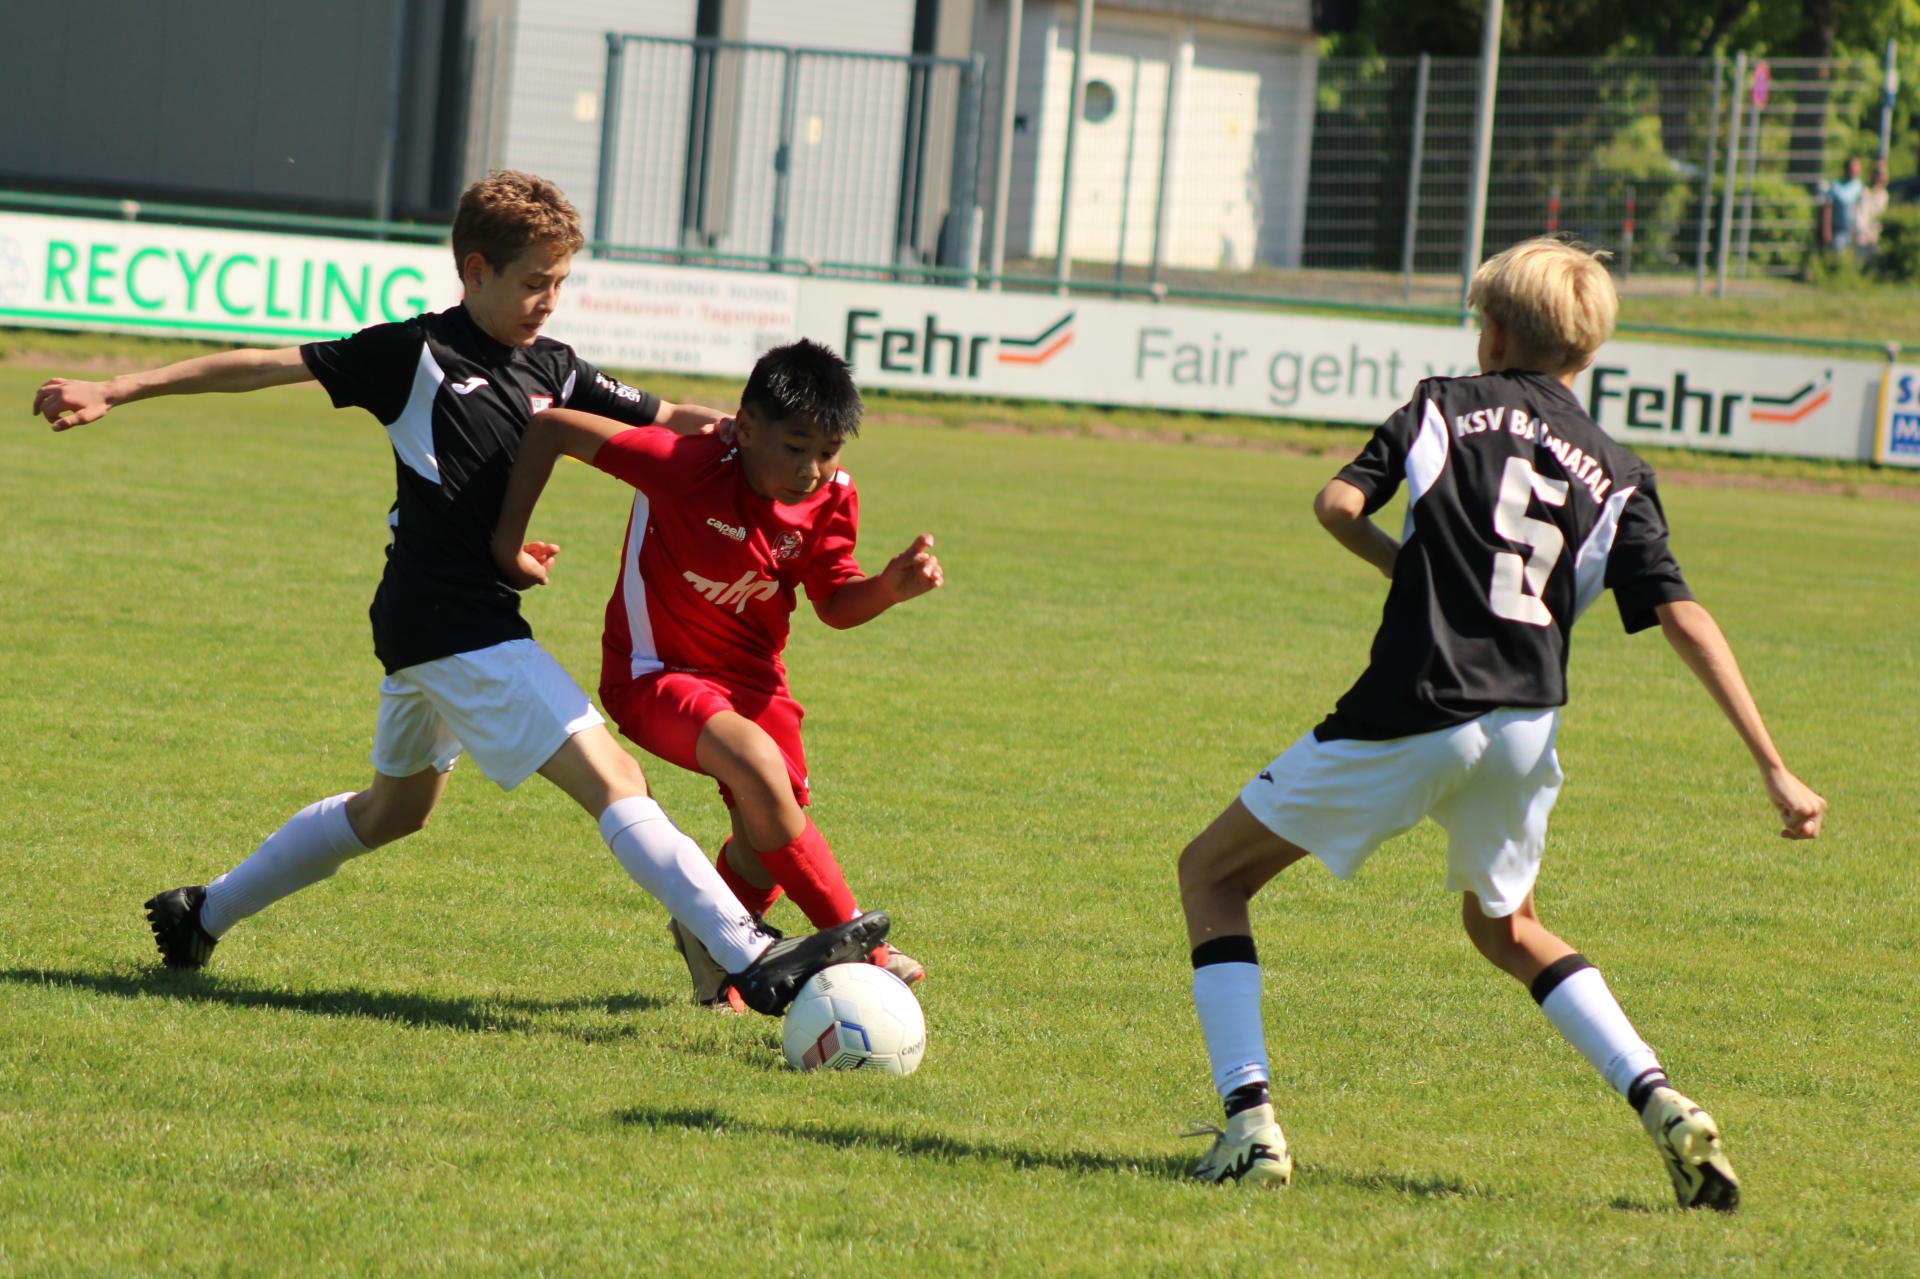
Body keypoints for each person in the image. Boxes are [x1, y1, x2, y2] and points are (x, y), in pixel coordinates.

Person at [28, 171, 885, 1016]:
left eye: (561, 282)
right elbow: (260, 364)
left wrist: (746, 436)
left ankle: (199, 915)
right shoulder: (414, 355)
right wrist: (117, 387)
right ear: (475, 272)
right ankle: (747, 953)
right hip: (452, 619)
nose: (550, 300)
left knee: (392, 810)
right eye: (535, 282)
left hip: (435, 620)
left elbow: (669, 418)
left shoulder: (554, 365)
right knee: (615, 778)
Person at [1175, 238, 1826, 1209]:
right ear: (1588, 352)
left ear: (1494, 333)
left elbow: (1335, 504)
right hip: (1525, 726)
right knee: (1506, 926)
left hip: (1416, 704)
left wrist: (1408, 570)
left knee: (1211, 873)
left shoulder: (1441, 403)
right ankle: (1660, 1097)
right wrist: (1774, 765)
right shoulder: (1619, 472)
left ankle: (1248, 1124)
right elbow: (1683, 616)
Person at [489, 339, 940, 1009]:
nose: (811, 469)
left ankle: (710, 942)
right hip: (652, 672)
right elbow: (552, 427)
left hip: (755, 681)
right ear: (746, 428)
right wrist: (506, 546)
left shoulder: (833, 496)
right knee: (758, 767)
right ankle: (861, 944)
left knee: (768, 837)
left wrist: (887, 590)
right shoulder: (684, 463)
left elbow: (835, 602)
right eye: (795, 447)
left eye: (828, 451)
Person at [1822, 156, 1866, 256]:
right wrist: (1826, 230)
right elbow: (1828, 208)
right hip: (1839, 230)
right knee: (1839, 257)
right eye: (1853, 167)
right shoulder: (1836, 186)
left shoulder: (1858, 186)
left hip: (1855, 231)